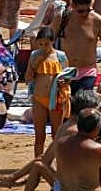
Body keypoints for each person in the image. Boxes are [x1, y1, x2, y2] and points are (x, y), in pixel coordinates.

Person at [52, 0, 101, 93]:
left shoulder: (97, 21)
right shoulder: (62, 19)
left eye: (88, 10)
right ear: (73, 6)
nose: (84, 14)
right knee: (66, 105)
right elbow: (49, 40)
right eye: (80, 11)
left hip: (88, 71)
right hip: (65, 71)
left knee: (83, 102)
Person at [23, 26, 69, 156]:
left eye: (47, 44)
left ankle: (57, 164)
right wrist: (35, 64)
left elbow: (67, 76)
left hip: (55, 98)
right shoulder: (34, 55)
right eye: (41, 44)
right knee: (39, 136)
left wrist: (64, 82)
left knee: (56, 135)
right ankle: (38, 164)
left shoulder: (60, 57)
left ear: (53, 42)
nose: (43, 47)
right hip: (39, 98)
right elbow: (27, 78)